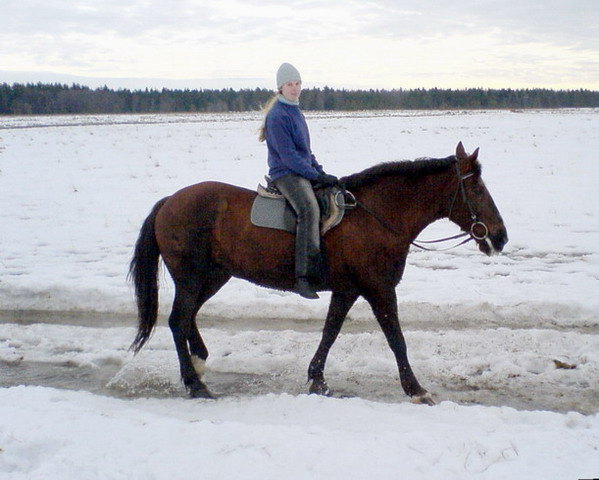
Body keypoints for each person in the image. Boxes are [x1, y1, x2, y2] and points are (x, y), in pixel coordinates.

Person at [258, 63, 338, 299]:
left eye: (297, 83)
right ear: (280, 88)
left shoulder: (295, 111)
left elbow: (305, 152)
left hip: (301, 169)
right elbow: (289, 157)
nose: (294, 88)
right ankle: (303, 276)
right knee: (309, 209)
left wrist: (321, 172)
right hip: (286, 173)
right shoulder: (277, 115)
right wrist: (314, 175)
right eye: (289, 84)